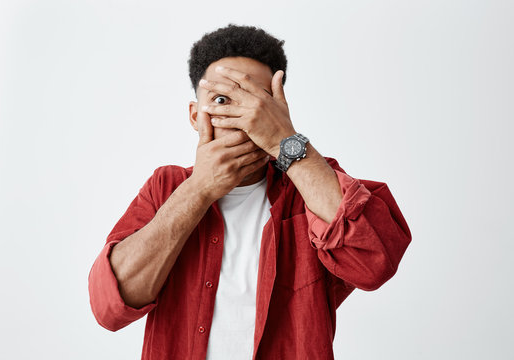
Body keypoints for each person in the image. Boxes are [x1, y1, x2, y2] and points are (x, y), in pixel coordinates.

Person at [88, 24, 412, 360]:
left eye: (257, 102)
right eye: (222, 100)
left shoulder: (312, 186)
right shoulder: (166, 187)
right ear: (196, 116)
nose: (242, 117)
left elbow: (375, 264)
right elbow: (109, 307)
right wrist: (199, 189)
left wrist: (286, 144)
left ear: (278, 111)